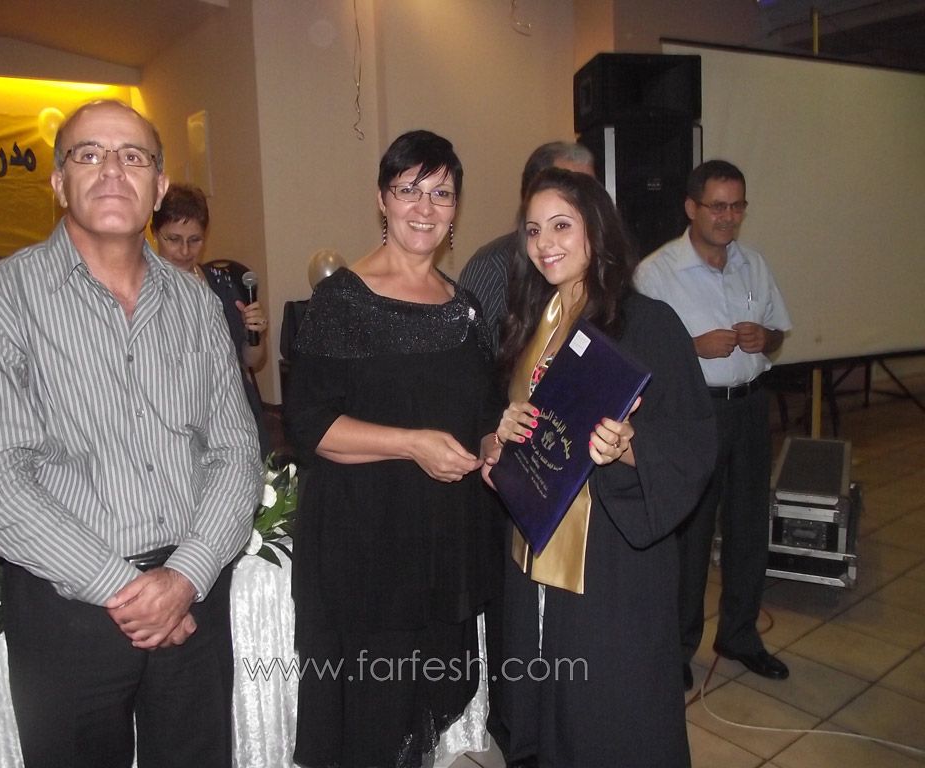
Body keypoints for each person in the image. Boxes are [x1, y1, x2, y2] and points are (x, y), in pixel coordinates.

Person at [0, 99, 263, 768]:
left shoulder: (196, 305)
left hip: (193, 597)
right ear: (59, 182)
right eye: (88, 154)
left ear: (159, 185)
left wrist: (185, 576)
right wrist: (127, 590)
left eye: (133, 156)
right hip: (68, 610)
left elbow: (235, 451)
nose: (113, 170)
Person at [284, 130, 504, 768]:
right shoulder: (342, 301)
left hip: (442, 546)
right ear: (382, 200)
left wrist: (496, 441)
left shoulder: (464, 309)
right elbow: (310, 424)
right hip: (366, 549)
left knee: (416, 716)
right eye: (409, 190)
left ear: (456, 208)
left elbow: (481, 413)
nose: (425, 207)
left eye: (442, 193)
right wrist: (412, 445)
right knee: (371, 721)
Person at [483, 167, 716, 767]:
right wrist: (502, 437)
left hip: (606, 556)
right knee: (542, 695)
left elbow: (690, 438)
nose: (545, 243)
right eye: (534, 229)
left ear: (596, 229)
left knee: (606, 712)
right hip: (534, 547)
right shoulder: (535, 319)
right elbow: (527, 422)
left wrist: (629, 446)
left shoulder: (646, 323)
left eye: (561, 225)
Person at [635, 159, 793, 689]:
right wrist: (692, 348)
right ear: (691, 207)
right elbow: (637, 357)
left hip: (750, 407)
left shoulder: (754, 264)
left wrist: (765, 338)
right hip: (693, 412)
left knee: (750, 526)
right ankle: (679, 647)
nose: (728, 217)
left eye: (737, 206)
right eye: (717, 206)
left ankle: (740, 635)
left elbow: (778, 332)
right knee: (692, 535)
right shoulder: (655, 273)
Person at [152, 182, 272, 457]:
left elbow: (251, 360)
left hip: (234, 416)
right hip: (179, 426)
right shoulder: (143, 292)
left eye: (195, 240)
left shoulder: (221, 284)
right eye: (174, 239)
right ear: (155, 232)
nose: (185, 251)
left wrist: (255, 334)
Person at [459, 141, 595, 351]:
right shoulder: (493, 266)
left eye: (591, 189)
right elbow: (471, 356)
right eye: (566, 184)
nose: (544, 243)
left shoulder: (630, 311)